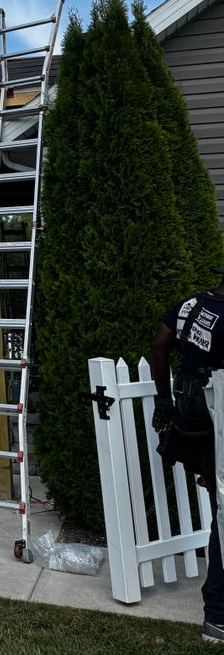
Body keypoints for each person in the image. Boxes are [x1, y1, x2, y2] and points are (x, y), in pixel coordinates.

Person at [151, 268, 224, 644]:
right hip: (218, 416)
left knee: (219, 507)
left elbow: (160, 347)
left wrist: (165, 400)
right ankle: (218, 613)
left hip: (193, 409)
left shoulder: (192, 306)